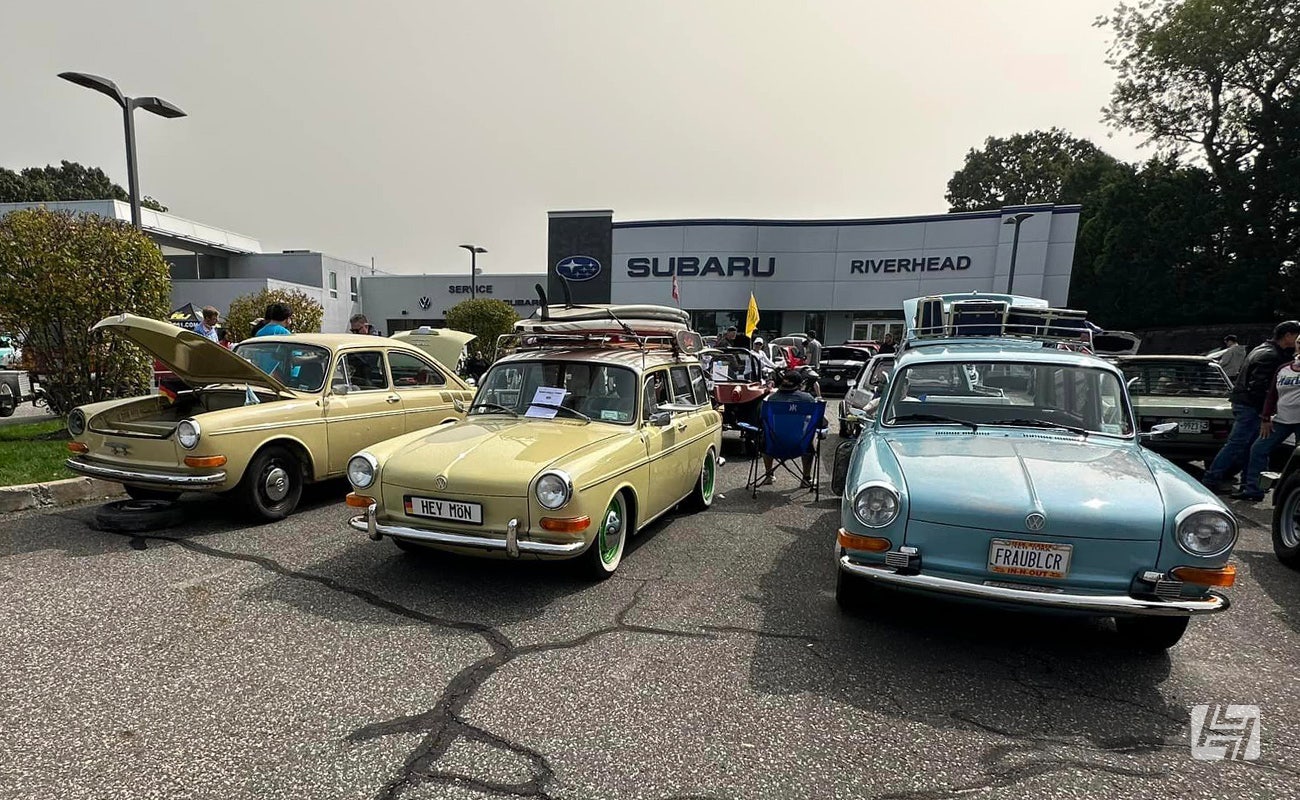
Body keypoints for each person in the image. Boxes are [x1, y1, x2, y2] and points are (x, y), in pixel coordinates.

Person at [1202, 320, 1300, 493]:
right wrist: (1266, 414)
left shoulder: (1262, 348)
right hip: (1251, 406)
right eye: (1297, 336)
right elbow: (1260, 388)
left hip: (1244, 402)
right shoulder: (1272, 356)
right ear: (1288, 336)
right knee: (1239, 445)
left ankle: (1249, 484)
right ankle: (1214, 479)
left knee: (1248, 446)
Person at [1237, 353, 1300, 500]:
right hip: (1281, 420)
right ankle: (1254, 489)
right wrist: (1266, 417)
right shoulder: (1283, 369)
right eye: (1298, 342)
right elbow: (1272, 394)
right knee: (1258, 449)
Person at [757, 369, 828, 488]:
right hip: (799, 445)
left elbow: (761, 421)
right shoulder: (807, 399)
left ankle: (769, 475)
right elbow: (822, 422)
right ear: (800, 385)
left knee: (765, 437)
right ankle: (806, 478)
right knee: (809, 440)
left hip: (773, 446)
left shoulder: (771, 399)